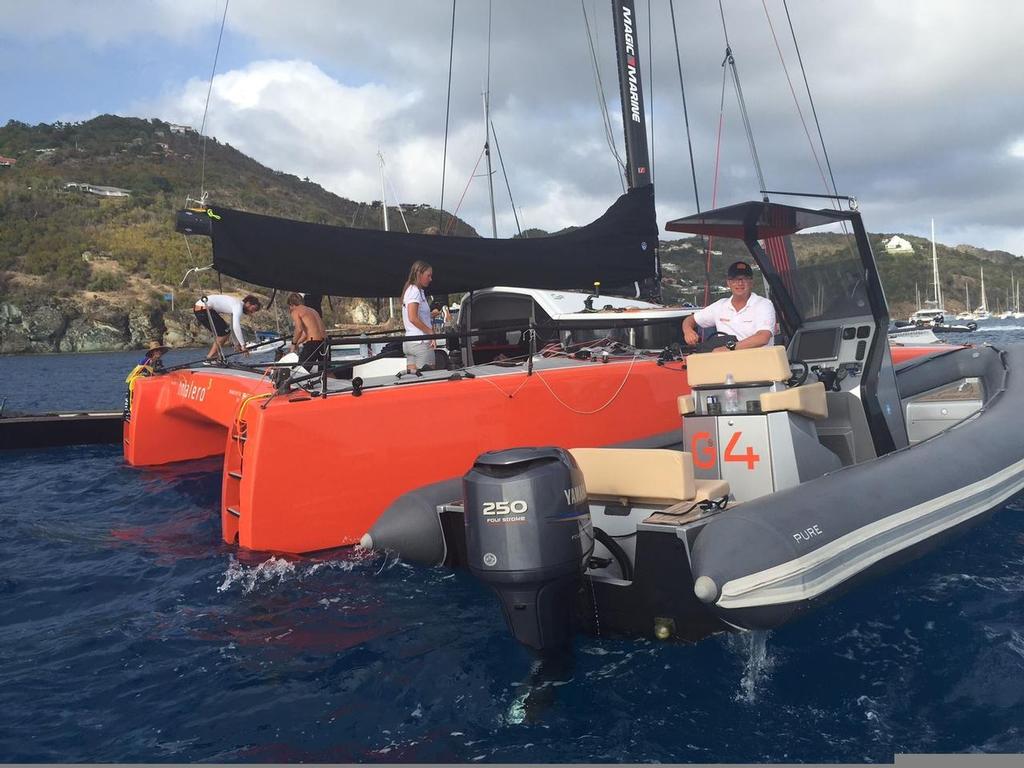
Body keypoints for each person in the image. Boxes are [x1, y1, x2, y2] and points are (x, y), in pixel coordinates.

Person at [682, 260, 776, 353]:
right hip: (727, 364)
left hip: (759, 363)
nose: (740, 283)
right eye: (735, 279)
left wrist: (729, 348)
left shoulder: (764, 304)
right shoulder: (720, 306)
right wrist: (688, 331)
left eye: (744, 279)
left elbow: (763, 337)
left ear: (751, 282)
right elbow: (690, 320)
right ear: (728, 283)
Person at [194, 293, 261, 359]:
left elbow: (232, 327)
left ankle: (213, 357)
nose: (251, 312)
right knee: (223, 333)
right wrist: (243, 346)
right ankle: (210, 357)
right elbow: (236, 327)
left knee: (225, 331)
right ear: (248, 303)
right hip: (203, 309)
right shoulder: (238, 306)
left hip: (200, 309)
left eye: (254, 311)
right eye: (253, 309)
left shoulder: (235, 304)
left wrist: (236, 344)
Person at [402, 260, 435, 373]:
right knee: (429, 379)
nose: (430, 279)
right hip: (421, 343)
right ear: (419, 274)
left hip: (410, 342)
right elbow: (412, 317)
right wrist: (430, 332)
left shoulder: (411, 290)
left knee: (412, 380)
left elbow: (415, 315)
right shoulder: (415, 291)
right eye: (428, 275)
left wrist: (429, 315)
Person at [286, 292, 327, 370]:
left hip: (313, 343)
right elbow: (306, 333)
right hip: (324, 343)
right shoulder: (313, 310)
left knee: (300, 370)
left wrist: (293, 343)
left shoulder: (296, 310)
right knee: (325, 372)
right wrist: (298, 343)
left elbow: (299, 329)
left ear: (291, 304)